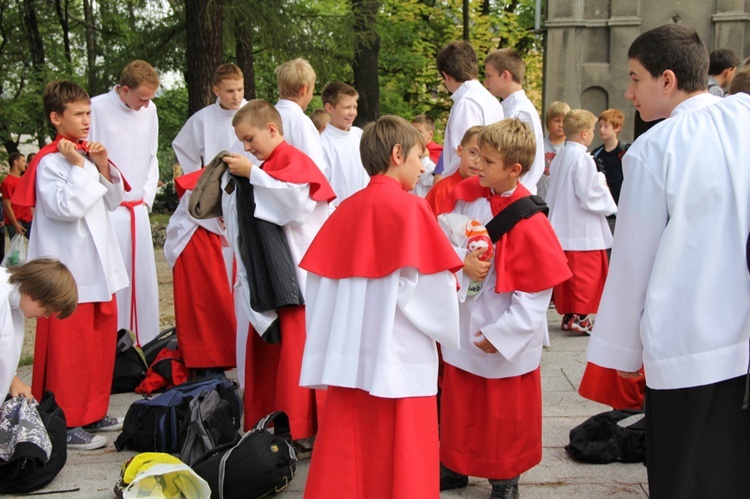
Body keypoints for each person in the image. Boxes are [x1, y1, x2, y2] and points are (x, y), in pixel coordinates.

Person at [587, 24, 750, 498]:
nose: (628, 90)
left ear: (668, 80)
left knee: (687, 470)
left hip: (690, 340)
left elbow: (634, 260)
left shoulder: (655, 148)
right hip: (742, 330)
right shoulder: (743, 117)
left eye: (636, 78)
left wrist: (623, 352)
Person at [300, 115, 462, 498]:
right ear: (396, 154)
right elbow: (430, 292)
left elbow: (321, 287)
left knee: (349, 455)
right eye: (420, 156)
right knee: (403, 456)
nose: (425, 166)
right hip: (400, 358)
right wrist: (461, 282)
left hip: (350, 359)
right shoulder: (411, 208)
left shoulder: (344, 211)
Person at [438, 119, 571, 498]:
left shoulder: (528, 218)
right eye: (477, 155)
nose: (478, 164)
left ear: (514, 169)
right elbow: (445, 234)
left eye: (488, 160)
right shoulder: (465, 194)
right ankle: (456, 463)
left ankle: (505, 477)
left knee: (504, 411)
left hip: (502, 321)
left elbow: (536, 290)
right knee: (460, 399)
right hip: (468, 315)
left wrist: (505, 333)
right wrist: (462, 259)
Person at [13, 80, 130, 450]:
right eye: (77, 114)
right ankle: (64, 421)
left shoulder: (83, 154)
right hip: (70, 270)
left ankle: (93, 410)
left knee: (96, 347)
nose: (86, 120)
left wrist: (98, 165)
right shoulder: (49, 161)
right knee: (70, 352)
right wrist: (81, 166)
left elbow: (113, 200)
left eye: (88, 112)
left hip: (98, 267)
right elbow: (65, 208)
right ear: (55, 117)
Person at [221, 100, 335, 443]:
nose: (247, 147)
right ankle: (278, 422)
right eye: (241, 141)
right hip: (273, 276)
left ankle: (300, 427)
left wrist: (253, 174)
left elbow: (296, 208)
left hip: (298, 279)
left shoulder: (293, 161)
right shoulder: (270, 163)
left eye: (250, 138)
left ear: (272, 129)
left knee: (295, 355)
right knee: (275, 355)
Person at [89, 60, 160, 347]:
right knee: (113, 281)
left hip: (137, 210)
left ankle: (147, 343)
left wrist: (145, 200)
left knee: (142, 282)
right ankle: (112, 348)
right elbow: (89, 157)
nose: (145, 105)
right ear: (124, 89)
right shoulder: (96, 109)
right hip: (109, 209)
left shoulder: (150, 110)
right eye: (141, 98)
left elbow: (152, 156)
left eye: (150, 99)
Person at [546, 109, 617, 334]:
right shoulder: (582, 158)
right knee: (586, 275)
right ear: (585, 133)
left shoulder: (561, 156)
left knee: (570, 276)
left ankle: (569, 315)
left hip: (563, 224)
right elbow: (589, 194)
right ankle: (581, 317)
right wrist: (603, 188)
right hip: (581, 228)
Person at [163, 170, 236, 377]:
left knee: (208, 301)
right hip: (198, 235)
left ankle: (209, 361)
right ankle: (206, 362)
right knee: (204, 300)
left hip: (202, 231)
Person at [0, 259, 77, 401]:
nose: (45, 316)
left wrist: (13, 378)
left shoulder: (16, 300)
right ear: (32, 293)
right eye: (47, 310)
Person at [435, 41, 504, 178]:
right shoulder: (491, 100)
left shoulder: (466, 103)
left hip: (466, 186)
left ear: (446, 76)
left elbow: (462, 156)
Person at [483, 48, 545, 193]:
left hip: (516, 192)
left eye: (489, 76)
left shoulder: (519, 112)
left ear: (505, 75)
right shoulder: (512, 107)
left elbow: (514, 158)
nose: (486, 82)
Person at [172, 63, 247, 174]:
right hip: (215, 184)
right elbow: (184, 148)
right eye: (230, 91)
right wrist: (196, 181)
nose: (236, 96)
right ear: (216, 91)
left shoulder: (255, 113)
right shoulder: (202, 119)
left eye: (240, 89)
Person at [274, 58, 328, 177]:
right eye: (312, 89)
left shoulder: (263, 116)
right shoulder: (302, 123)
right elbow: (315, 169)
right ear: (304, 89)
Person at [319, 81, 368, 205]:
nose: (352, 112)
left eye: (354, 107)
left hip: (365, 206)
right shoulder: (322, 144)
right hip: (339, 212)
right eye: (347, 107)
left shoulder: (360, 135)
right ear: (329, 108)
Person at [425, 126, 482, 215]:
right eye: (473, 152)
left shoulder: (491, 191)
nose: (477, 161)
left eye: (485, 157)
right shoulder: (442, 190)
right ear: (459, 150)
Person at [538, 101, 570, 200]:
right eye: (556, 121)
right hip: (540, 198)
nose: (561, 125)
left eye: (564, 121)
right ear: (548, 122)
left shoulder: (570, 148)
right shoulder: (539, 145)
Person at [1, 152, 33, 240]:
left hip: (27, 218)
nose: (25, 164)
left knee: (38, 245)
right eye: (23, 161)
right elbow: (7, 205)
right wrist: (15, 224)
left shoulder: (23, 179)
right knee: (17, 249)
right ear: (15, 162)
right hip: (15, 220)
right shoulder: (7, 182)